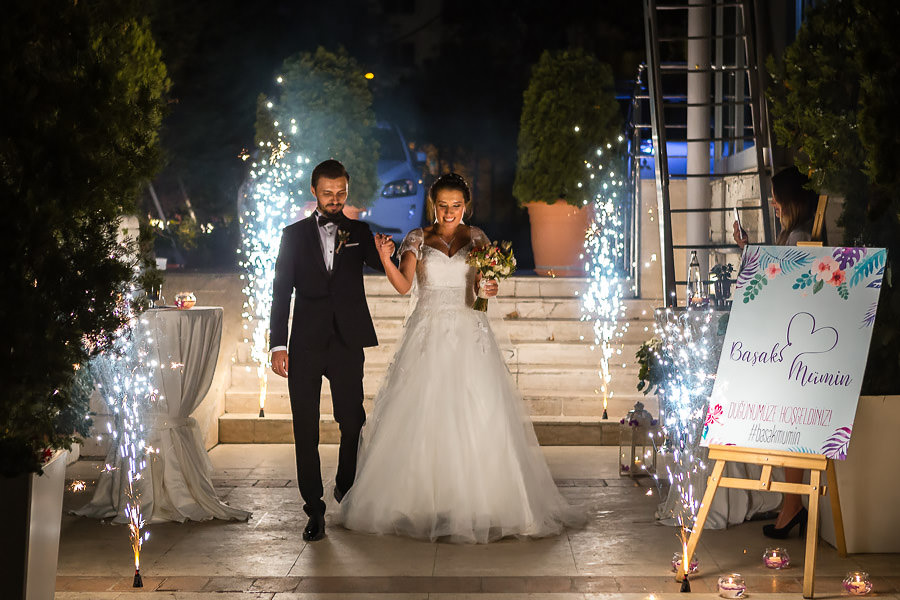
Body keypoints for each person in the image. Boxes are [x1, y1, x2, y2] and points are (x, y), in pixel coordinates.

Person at [339, 173, 584, 543]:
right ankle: (419, 502)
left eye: (456, 205)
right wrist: (387, 259)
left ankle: (480, 502)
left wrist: (490, 286)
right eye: (442, 205)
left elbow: (482, 289)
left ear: (465, 205)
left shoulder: (478, 239)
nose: (449, 212)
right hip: (429, 333)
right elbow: (405, 286)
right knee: (425, 415)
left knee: (478, 413)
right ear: (432, 205)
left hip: (471, 333)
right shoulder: (418, 240)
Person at [269, 159, 392, 542]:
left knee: (352, 419)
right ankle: (314, 510)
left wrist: (400, 248)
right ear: (314, 192)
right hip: (304, 343)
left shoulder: (359, 231)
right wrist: (278, 343)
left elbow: (386, 262)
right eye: (328, 194)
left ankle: (345, 482)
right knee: (304, 429)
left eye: (341, 193)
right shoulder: (291, 236)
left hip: (346, 341)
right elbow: (280, 292)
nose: (335, 200)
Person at [732, 165, 825, 539]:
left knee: (791, 431)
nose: (773, 205)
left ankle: (792, 505)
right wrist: (750, 249)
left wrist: (753, 258)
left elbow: (784, 284)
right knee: (789, 432)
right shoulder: (794, 235)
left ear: (793, 202)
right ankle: (791, 505)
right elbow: (777, 271)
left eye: (777, 199)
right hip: (794, 344)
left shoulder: (801, 237)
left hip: (795, 349)